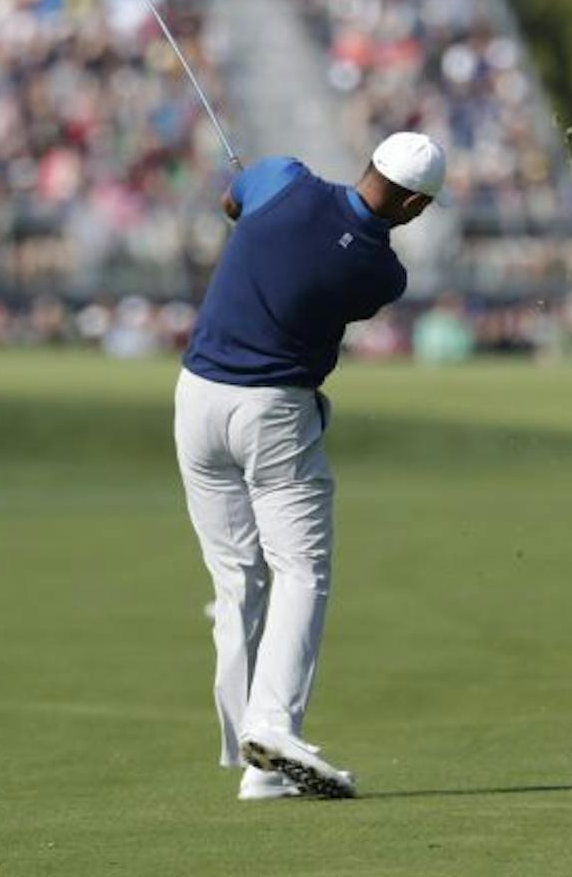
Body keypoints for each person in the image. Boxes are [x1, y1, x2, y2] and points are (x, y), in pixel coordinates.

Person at [173, 131, 443, 802]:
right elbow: (336, 266)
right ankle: (271, 730)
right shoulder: (383, 274)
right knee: (301, 570)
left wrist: (250, 200)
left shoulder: (283, 177)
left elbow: (232, 202)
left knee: (237, 581)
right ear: (412, 205)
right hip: (272, 412)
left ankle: (255, 760)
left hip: (195, 400)